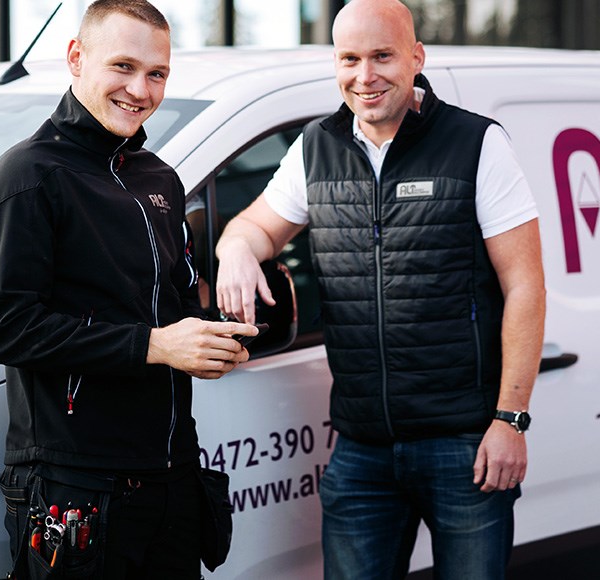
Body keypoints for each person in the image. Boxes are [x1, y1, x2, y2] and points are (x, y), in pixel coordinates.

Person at [214, 0, 545, 577]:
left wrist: (510, 420)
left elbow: (525, 286)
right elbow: (254, 227)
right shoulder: (317, 148)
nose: (364, 76)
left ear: (416, 57)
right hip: (361, 447)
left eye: (382, 57)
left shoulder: (475, 143)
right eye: (349, 59)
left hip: (464, 443)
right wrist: (236, 250)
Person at [0, 1, 257, 577]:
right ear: (77, 57)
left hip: (172, 475)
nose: (140, 90)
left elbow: (175, 305)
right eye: (123, 66)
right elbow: (9, 329)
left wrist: (210, 341)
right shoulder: (26, 177)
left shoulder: (159, 177)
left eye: (157, 73)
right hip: (76, 487)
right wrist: (155, 345)